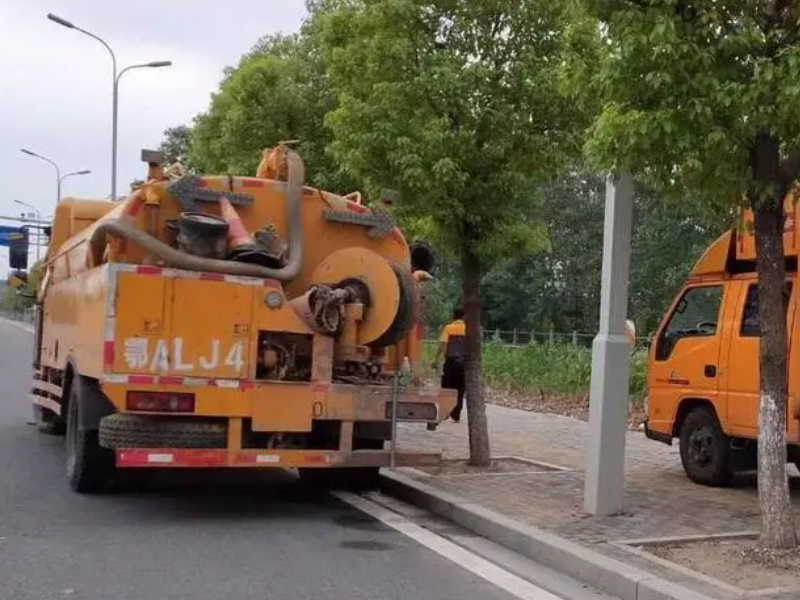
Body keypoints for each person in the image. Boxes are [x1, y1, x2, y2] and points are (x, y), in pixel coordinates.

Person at [432, 308, 466, 422]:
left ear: (453, 316)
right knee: (460, 390)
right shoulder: (468, 329)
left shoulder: (449, 328)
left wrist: (435, 360)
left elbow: (442, 345)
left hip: (450, 362)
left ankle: (446, 412)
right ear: (464, 317)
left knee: (447, 388)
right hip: (463, 364)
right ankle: (456, 415)